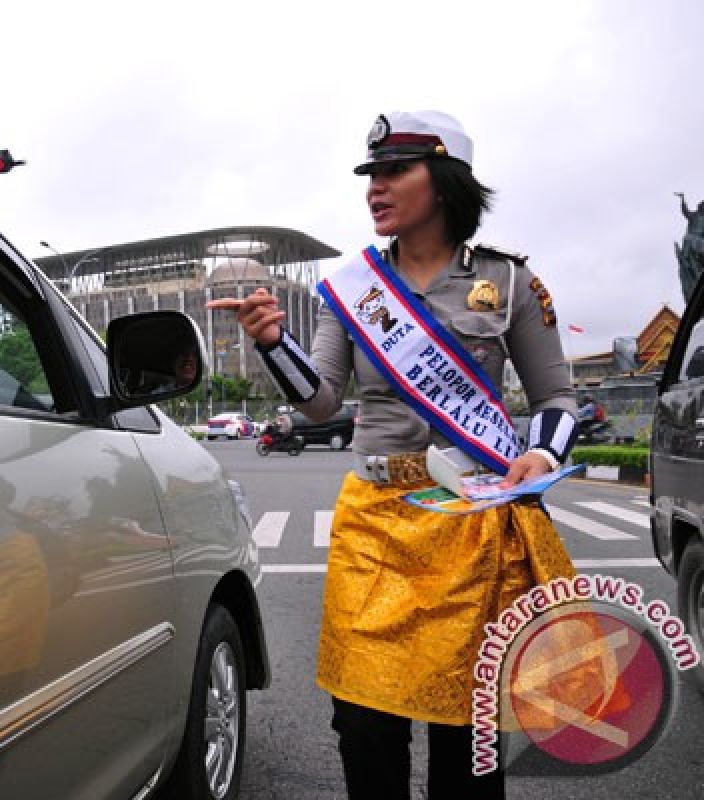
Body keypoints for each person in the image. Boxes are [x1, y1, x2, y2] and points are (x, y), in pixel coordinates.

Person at [210, 111, 582, 799]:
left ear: (442, 183)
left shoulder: (508, 282)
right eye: (371, 175)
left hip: (470, 523)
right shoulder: (353, 291)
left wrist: (539, 457)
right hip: (376, 521)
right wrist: (270, 342)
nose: (375, 188)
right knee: (363, 721)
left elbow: (555, 396)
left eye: (394, 172)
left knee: (464, 728)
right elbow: (319, 403)